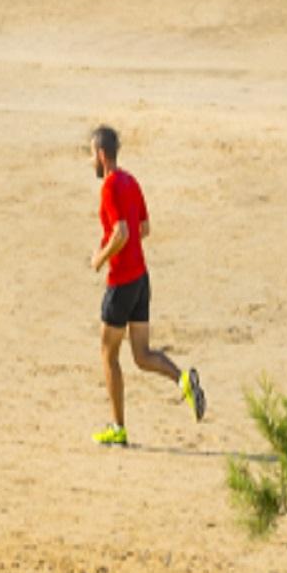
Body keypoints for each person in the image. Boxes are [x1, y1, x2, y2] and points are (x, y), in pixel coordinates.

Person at [87, 124, 204, 447]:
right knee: (141, 354)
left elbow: (123, 232)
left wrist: (100, 258)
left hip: (122, 282)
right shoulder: (131, 181)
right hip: (141, 280)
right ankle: (182, 379)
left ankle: (118, 427)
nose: (91, 163)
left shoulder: (110, 186)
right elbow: (145, 228)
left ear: (101, 154)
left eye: (91, 156)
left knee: (108, 355)